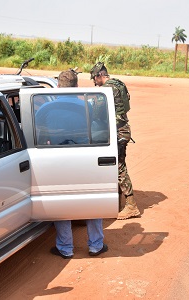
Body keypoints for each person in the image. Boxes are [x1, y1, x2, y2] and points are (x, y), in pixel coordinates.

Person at [37, 69, 108, 258]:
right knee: (92, 200)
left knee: (62, 202)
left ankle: (65, 248)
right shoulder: (86, 107)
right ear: (77, 86)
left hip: (57, 160)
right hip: (85, 158)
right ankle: (95, 245)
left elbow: (40, 136)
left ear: (58, 86)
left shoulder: (45, 109)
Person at [90, 62, 140, 220]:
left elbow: (96, 113)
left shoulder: (106, 90)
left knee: (118, 166)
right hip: (123, 129)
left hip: (117, 132)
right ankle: (118, 203)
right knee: (117, 164)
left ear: (99, 76)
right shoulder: (118, 84)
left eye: (94, 79)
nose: (94, 82)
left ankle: (131, 205)